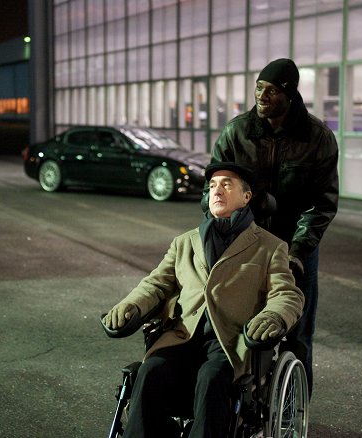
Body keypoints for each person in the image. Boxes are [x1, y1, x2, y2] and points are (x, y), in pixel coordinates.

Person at [103, 162, 304, 438]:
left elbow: (287, 294)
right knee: (150, 371)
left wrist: (273, 316)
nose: (217, 191)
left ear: (246, 197)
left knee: (212, 379)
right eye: (212, 186)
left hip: (230, 343)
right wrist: (131, 305)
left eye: (226, 184)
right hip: (182, 337)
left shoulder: (269, 247)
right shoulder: (185, 242)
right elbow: (156, 284)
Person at [201, 58, 339, 398]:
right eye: (259, 88)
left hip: (295, 246)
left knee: (297, 335)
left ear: (289, 96)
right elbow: (213, 193)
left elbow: (322, 203)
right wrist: (221, 237)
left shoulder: (317, 138)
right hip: (245, 245)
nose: (262, 96)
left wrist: (298, 251)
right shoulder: (237, 132)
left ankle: (294, 408)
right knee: (234, 324)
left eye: (272, 91)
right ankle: (236, 401)